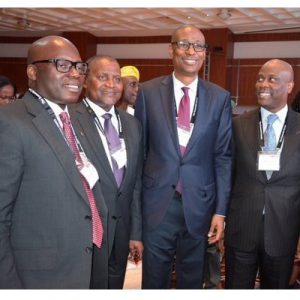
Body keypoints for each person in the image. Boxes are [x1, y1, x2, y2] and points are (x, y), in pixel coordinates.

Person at [0, 36, 107, 288]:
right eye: (62, 65)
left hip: (82, 264)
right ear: (32, 71)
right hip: (38, 277)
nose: (75, 74)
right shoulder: (9, 121)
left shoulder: (75, 120)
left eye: (79, 67)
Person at [135, 25, 232, 289]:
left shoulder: (220, 97)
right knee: (154, 279)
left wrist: (220, 212)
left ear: (205, 54)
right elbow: (139, 154)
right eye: (184, 44)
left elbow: (223, 156)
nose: (192, 51)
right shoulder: (148, 92)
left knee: (192, 279)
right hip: (157, 204)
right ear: (171, 49)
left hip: (200, 204)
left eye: (199, 46)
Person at [69, 55, 143, 289]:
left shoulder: (132, 124)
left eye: (117, 79)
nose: (112, 85)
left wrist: (136, 232)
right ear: (84, 80)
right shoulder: (69, 118)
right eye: (103, 77)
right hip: (85, 232)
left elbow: (135, 183)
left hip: (122, 231)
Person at [225, 59, 300, 289]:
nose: (262, 84)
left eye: (272, 79)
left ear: (289, 86)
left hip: (283, 231)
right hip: (241, 229)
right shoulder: (238, 125)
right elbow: (227, 175)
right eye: (259, 78)